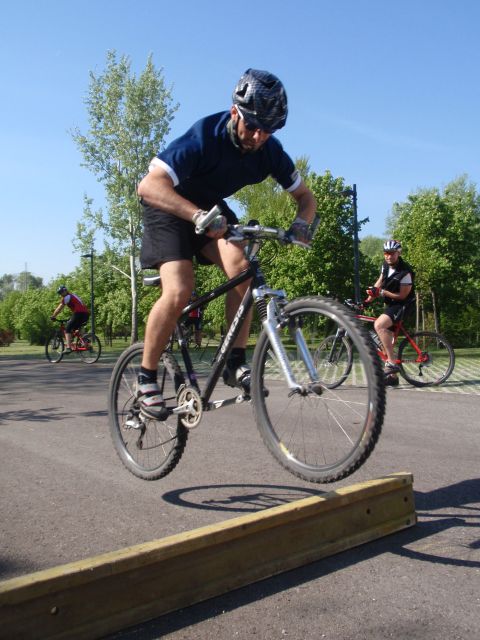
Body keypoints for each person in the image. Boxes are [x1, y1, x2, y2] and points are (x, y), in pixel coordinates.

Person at [136, 68, 317, 418]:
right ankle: (146, 377)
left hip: (210, 210)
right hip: (168, 208)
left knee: (244, 270)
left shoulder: (269, 151)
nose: (259, 136)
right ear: (235, 112)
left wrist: (301, 223)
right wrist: (195, 215)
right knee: (179, 290)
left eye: (269, 129)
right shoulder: (205, 137)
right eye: (253, 126)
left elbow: (306, 198)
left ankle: (234, 362)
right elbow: (148, 186)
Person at [365, 239, 415, 385]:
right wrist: (367, 300)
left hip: (403, 305)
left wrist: (382, 293)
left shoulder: (405, 272)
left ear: (398, 253)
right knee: (384, 340)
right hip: (392, 305)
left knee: (379, 325)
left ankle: (392, 363)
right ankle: (393, 378)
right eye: (386, 253)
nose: (388, 256)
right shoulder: (385, 266)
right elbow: (379, 282)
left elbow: (402, 296)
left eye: (392, 253)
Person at [50, 285, 90, 353]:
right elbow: (82, 303)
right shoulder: (74, 295)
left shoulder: (66, 297)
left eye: (62, 292)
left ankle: (68, 348)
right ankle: (84, 343)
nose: (61, 294)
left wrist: (53, 316)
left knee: (67, 328)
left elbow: (59, 308)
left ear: (65, 290)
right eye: (60, 293)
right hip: (86, 314)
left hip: (78, 313)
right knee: (75, 329)